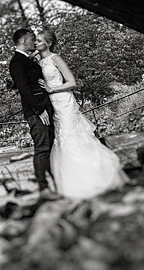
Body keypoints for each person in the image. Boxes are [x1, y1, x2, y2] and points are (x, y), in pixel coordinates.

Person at [35, 28, 129, 199]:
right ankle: (71, 184)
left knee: (72, 137)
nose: (36, 43)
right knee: (61, 139)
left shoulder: (55, 59)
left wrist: (51, 89)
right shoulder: (37, 62)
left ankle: (93, 176)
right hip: (52, 106)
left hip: (64, 101)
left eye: (39, 40)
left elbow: (72, 82)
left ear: (48, 43)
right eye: (35, 40)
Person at [9, 28, 56, 199]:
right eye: (31, 39)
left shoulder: (26, 60)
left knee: (49, 148)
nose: (34, 41)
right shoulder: (17, 62)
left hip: (44, 109)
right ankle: (43, 188)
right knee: (42, 149)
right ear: (23, 41)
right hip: (37, 112)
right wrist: (39, 109)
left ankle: (55, 184)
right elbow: (24, 88)